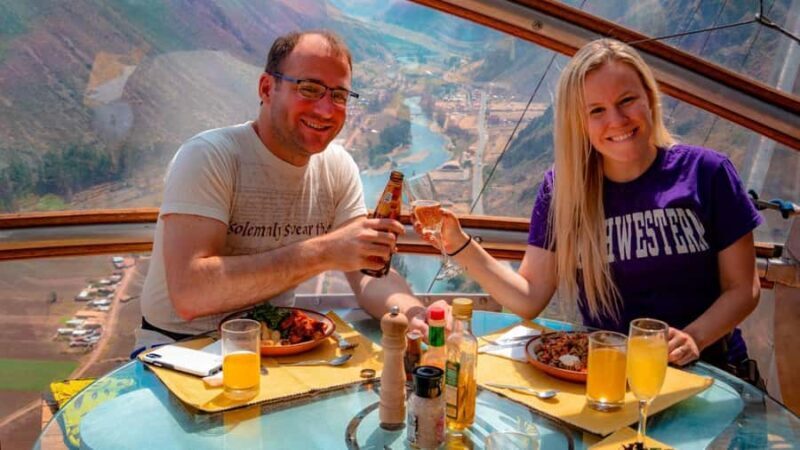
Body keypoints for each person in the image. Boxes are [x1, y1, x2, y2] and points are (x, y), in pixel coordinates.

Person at [419, 39, 762, 374]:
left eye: (627, 100)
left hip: (710, 371)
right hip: (607, 379)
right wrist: (459, 245)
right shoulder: (563, 191)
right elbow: (529, 297)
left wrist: (694, 338)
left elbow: (743, 288)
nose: (617, 120)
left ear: (650, 99)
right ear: (578, 123)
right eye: (596, 111)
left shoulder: (707, 172)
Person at [136, 30, 437, 353]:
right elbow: (190, 295)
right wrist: (324, 251)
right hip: (181, 348)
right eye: (309, 89)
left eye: (338, 96)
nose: (325, 110)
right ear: (267, 88)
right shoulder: (210, 156)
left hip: (279, 346)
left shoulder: (337, 167)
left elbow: (368, 274)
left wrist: (413, 313)